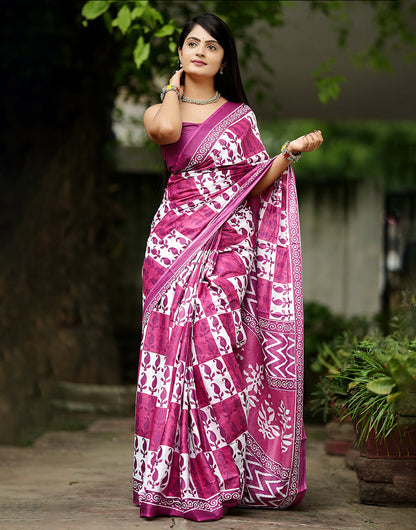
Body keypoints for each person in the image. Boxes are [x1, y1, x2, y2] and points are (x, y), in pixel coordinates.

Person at [133, 13, 323, 521]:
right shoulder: (159, 109)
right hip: (173, 247)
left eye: (211, 46)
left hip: (228, 246)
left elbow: (257, 183)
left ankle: (220, 480)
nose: (199, 51)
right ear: (180, 53)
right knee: (174, 360)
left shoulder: (241, 117)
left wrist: (289, 152)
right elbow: (169, 129)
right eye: (191, 44)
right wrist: (173, 88)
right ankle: (169, 483)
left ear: (223, 60)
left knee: (216, 351)